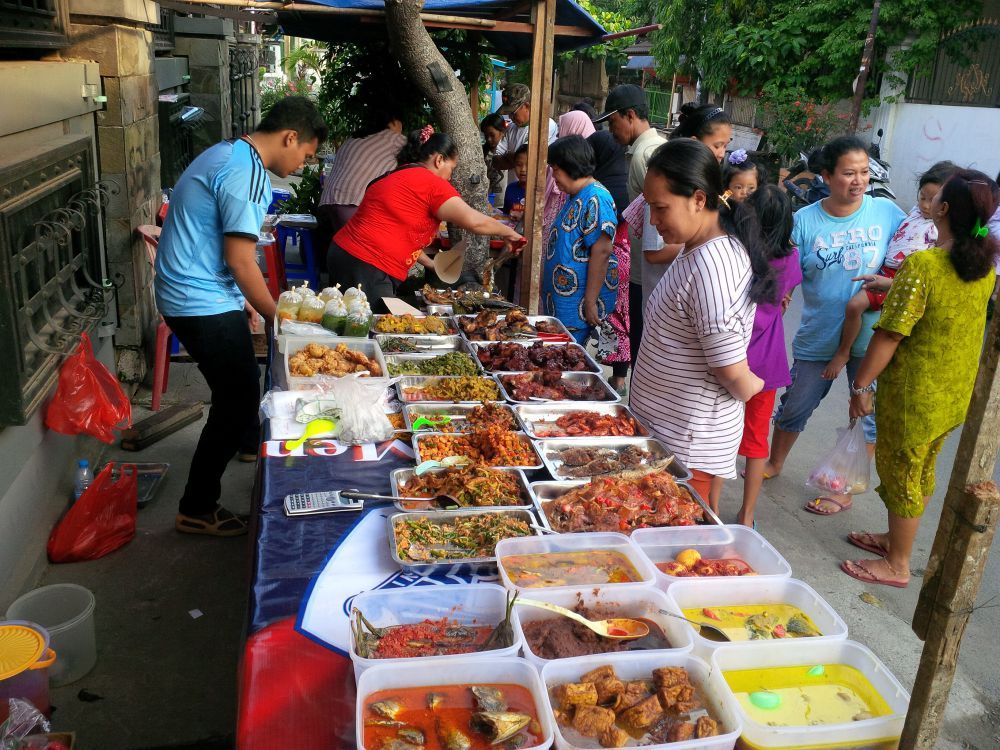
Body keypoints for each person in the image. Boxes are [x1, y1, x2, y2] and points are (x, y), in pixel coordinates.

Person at [155, 96, 327, 536]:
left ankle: (248, 445)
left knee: (240, 392)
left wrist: (249, 302)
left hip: (197, 292)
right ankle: (197, 507)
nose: (301, 166)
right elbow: (241, 260)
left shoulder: (228, 152)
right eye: (305, 155)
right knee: (237, 399)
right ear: (290, 137)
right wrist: (280, 318)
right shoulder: (247, 172)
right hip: (198, 301)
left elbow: (222, 250)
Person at [843, 170, 999, 587]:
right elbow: (939, 306)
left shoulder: (924, 265)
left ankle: (898, 563)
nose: (927, 201)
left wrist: (860, 387)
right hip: (950, 395)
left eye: (937, 196)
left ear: (943, 209)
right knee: (922, 471)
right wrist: (894, 284)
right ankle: (897, 541)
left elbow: (891, 334)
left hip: (915, 396)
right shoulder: (983, 266)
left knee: (903, 476)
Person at [763, 136, 906, 516]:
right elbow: (785, 267)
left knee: (865, 417)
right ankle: (775, 463)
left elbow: (912, 260)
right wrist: (782, 292)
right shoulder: (805, 221)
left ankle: (843, 486)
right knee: (796, 405)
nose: (858, 181)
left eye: (863, 172)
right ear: (826, 175)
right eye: (848, 173)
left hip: (874, 337)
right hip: (820, 334)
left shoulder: (887, 213)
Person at [630, 139, 775, 510]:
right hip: (668, 436)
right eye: (650, 207)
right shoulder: (694, 249)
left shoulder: (714, 266)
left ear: (698, 199)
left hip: (688, 447)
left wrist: (754, 386)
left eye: (661, 208)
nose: (654, 220)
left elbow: (732, 372)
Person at [328, 127, 524, 309]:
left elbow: (398, 232)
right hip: (368, 265)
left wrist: (431, 264)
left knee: (347, 318)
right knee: (371, 326)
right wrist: (509, 232)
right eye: (451, 169)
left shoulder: (399, 173)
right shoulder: (431, 183)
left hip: (344, 255)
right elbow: (474, 221)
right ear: (439, 160)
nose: (450, 177)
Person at [821, 160, 956, 379]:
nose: (924, 205)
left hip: (902, 278)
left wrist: (897, 284)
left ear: (946, 204)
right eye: (922, 197)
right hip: (885, 270)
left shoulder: (939, 229)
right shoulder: (914, 213)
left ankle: (843, 353)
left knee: (856, 307)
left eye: (932, 200)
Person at [738, 186, 802, 527]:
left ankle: (711, 500)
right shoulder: (790, 257)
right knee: (756, 439)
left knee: (717, 432)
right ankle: (748, 515)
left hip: (730, 358)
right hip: (767, 362)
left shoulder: (738, 252)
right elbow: (786, 292)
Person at [593, 84, 666, 368]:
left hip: (648, 271)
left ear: (631, 115)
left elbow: (657, 226)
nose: (611, 131)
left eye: (613, 122)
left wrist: (652, 258)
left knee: (643, 354)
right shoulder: (649, 149)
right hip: (645, 268)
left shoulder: (645, 155)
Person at [640, 104, 738, 307]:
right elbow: (653, 252)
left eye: (725, 146)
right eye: (717, 145)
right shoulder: (665, 187)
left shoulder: (714, 268)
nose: (721, 154)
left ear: (700, 200)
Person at [542, 135, 619, 344]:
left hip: (578, 306)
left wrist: (591, 301)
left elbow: (602, 251)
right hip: (563, 303)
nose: (553, 175)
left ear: (570, 164)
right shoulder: (577, 195)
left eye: (555, 168)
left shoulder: (596, 197)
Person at [316, 110, 405, 259]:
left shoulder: (356, 137)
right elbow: (418, 162)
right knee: (360, 255)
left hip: (328, 200)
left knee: (344, 251)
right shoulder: (395, 139)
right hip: (350, 202)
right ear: (394, 122)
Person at [588, 127, 631, 393]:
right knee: (620, 317)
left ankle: (616, 379)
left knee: (610, 318)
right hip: (626, 256)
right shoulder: (624, 179)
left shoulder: (602, 188)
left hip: (611, 256)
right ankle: (619, 376)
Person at [493, 83, 558, 179]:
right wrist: (516, 158)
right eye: (509, 114)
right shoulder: (511, 128)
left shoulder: (545, 126)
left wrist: (508, 156)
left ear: (527, 106)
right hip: (514, 189)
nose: (511, 117)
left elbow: (528, 160)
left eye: (513, 113)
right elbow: (495, 161)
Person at [480, 112, 509, 199]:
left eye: (492, 135)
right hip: (488, 200)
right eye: (486, 135)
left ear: (503, 132)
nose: (489, 139)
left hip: (504, 201)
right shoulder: (483, 153)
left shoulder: (508, 152)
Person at [503, 145, 529, 222]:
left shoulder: (540, 191)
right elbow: (506, 214)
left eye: (528, 165)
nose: (523, 169)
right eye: (519, 165)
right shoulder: (510, 188)